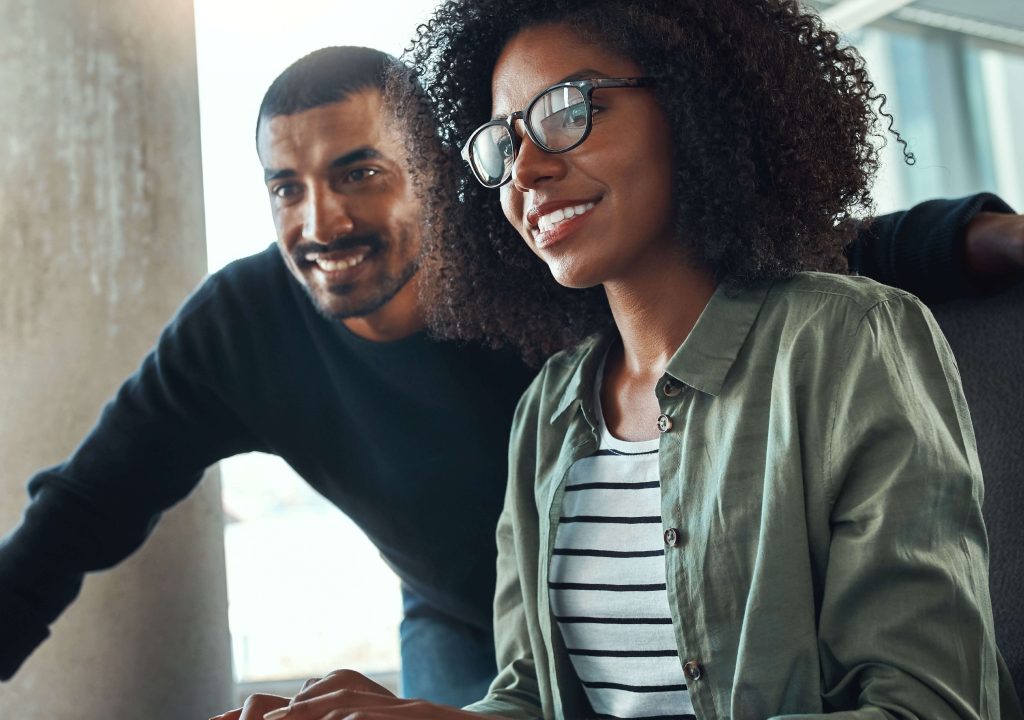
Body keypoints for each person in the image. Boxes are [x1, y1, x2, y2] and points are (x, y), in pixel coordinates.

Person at [0, 42, 1020, 711]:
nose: (322, 224)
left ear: (442, 177)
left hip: (690, 590)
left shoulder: (557, 256)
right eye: (285, 188)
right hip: (470, 612)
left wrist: (987, 237)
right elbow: (77, 513)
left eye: (360, 171)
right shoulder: (240, 331)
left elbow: (809, 255)